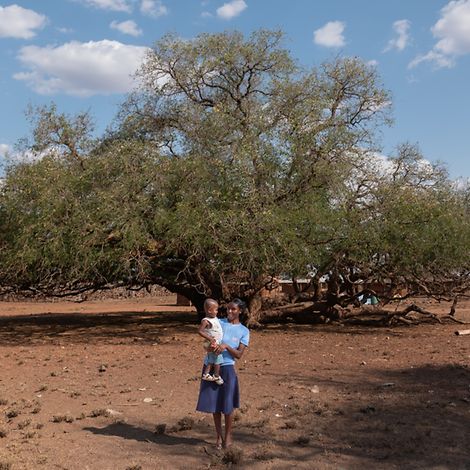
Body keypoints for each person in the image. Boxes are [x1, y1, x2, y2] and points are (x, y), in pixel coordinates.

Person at [196, 298, 250, 449]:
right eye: (228, 309)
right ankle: (218, 437)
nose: (230, 312)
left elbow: (239, 354)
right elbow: (205, 337)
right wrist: (209, 346)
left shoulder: (244, 331)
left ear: (240, 311)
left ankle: (228, 436)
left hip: (227, 369)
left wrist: (226, 347)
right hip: (211, 366)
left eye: (233, 309)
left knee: (228, 406)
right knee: (215, 405)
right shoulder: (218, 322)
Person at [198, 298, 224, 385]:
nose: (217, 312)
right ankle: (216, 375)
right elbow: (200, 331)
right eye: (216, 310)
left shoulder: (214, 318)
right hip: (212, 343)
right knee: (218, 358)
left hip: (215, 342)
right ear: (209, 310)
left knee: (212, 358)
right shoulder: (206, 321)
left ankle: (206, 374)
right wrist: (210, 338)